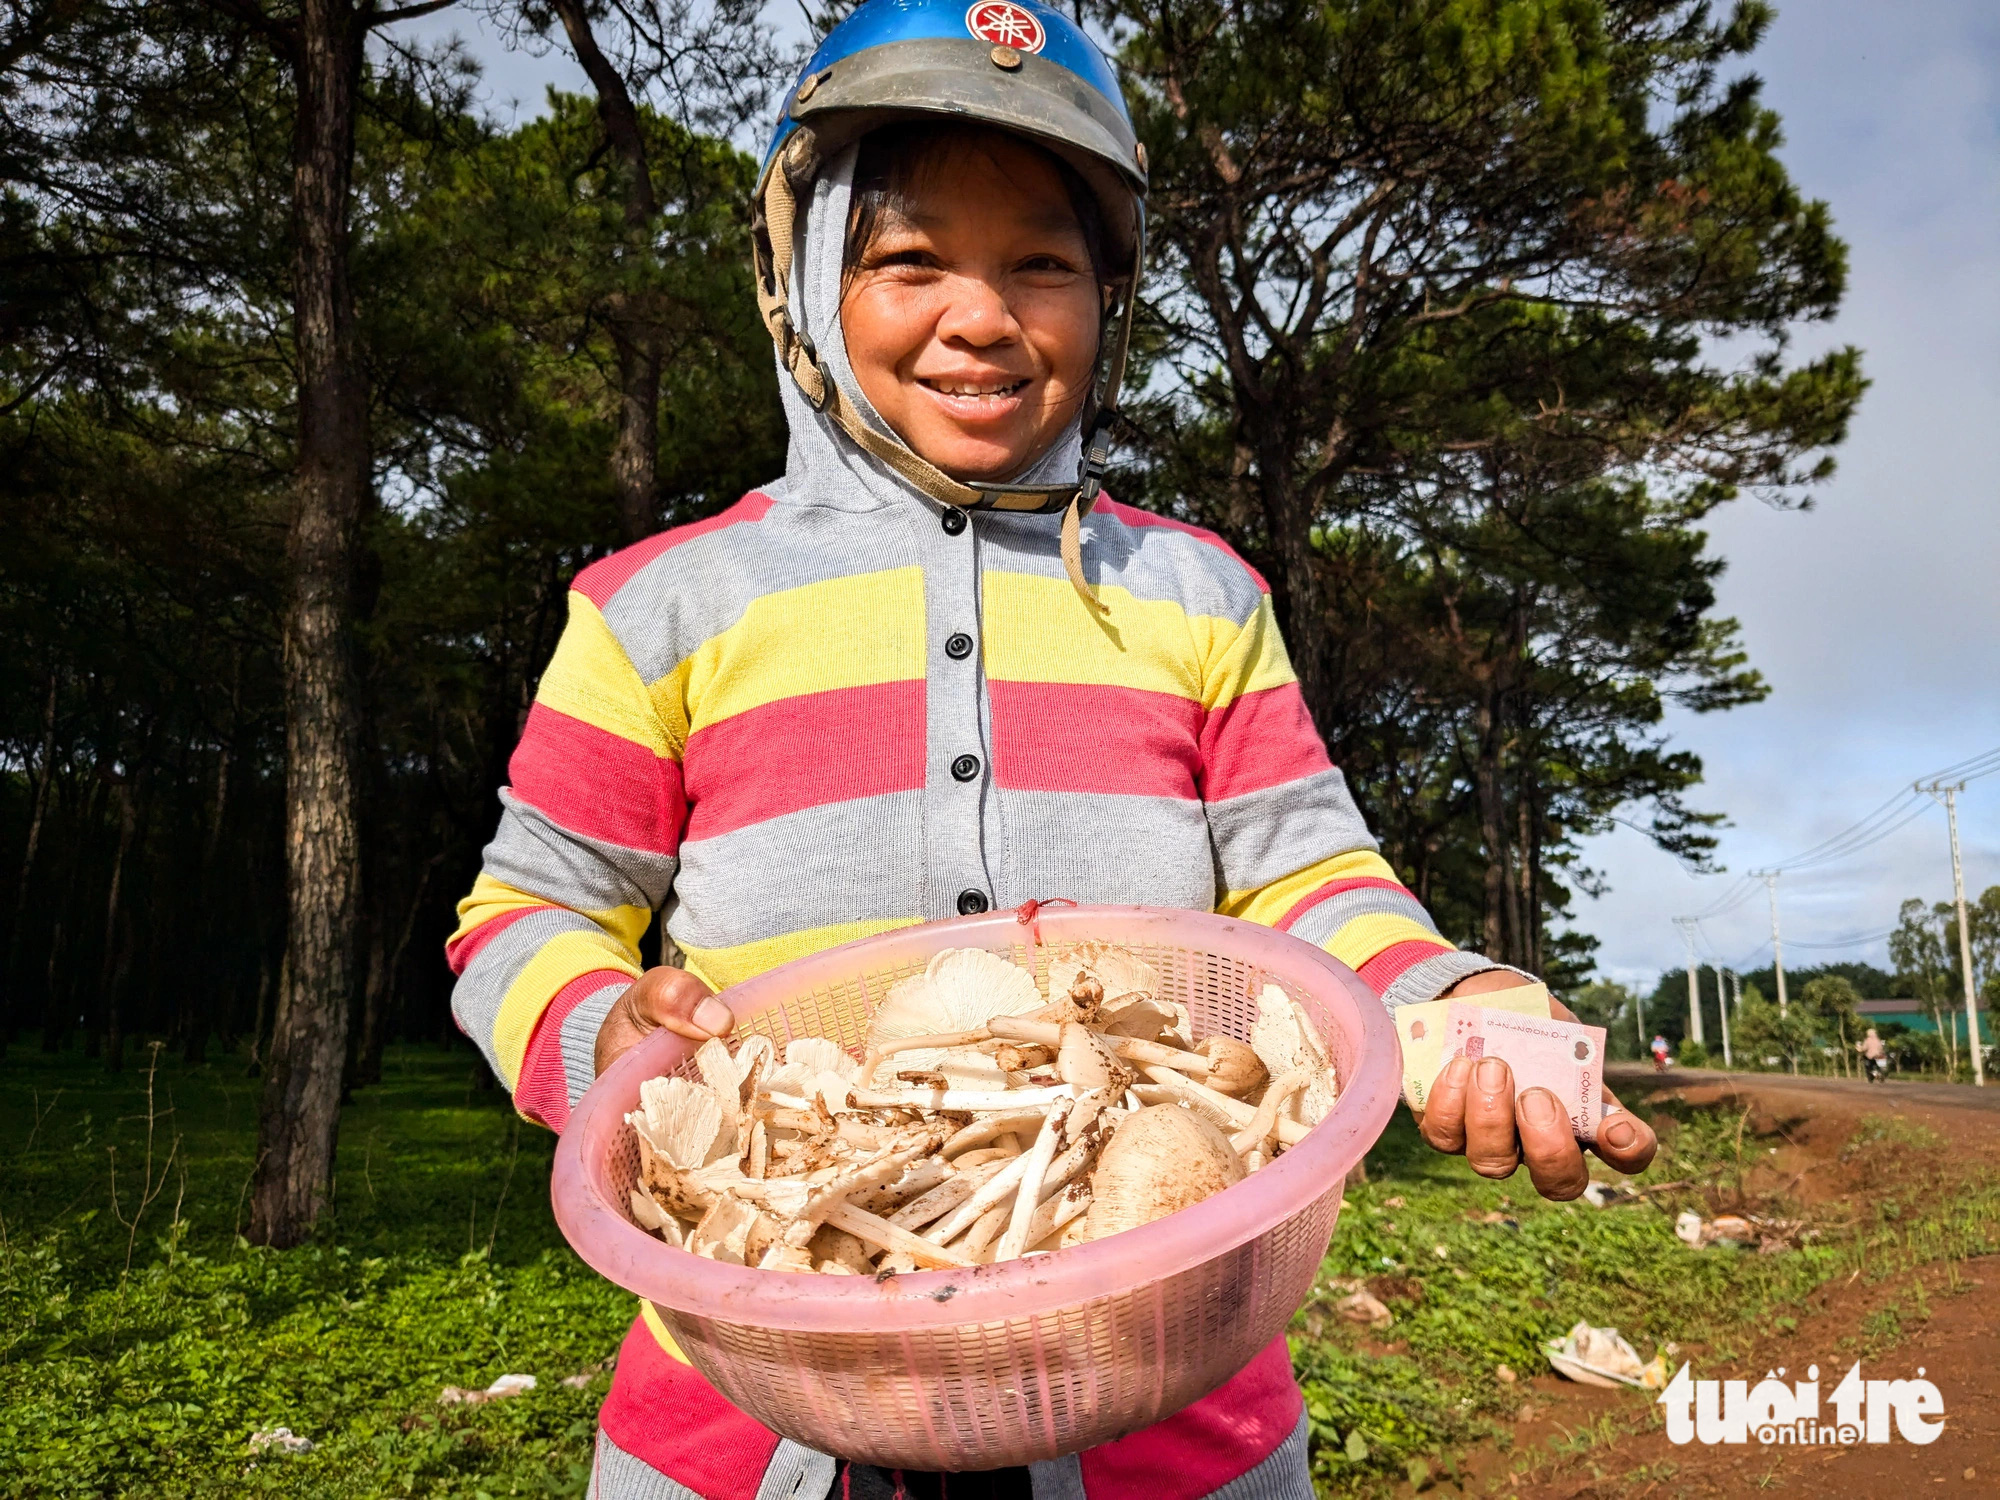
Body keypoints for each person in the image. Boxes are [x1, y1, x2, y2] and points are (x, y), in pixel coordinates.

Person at [445, 2, 1659, 1495]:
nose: (982, 317)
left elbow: (1312, 881)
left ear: (1106, 300)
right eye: (908, 261)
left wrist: (1458, 1000)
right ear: (806, 285)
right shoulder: (658, 606)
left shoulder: (1199, 595)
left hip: (1173, 1415)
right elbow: (526, 912)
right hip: (750, 1417)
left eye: (1043, 263)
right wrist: (601, 1042)